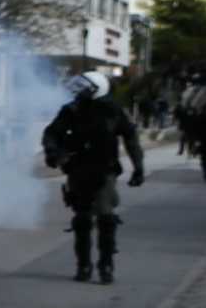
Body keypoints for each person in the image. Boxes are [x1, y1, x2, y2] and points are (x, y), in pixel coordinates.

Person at [41, 71, 147, 284]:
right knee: (81, 220)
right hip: (77, 169)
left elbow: (131, 139)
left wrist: (138, 167)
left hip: (104, 170)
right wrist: (54, 152)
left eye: (84, 88)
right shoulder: (71, 110)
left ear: (97, 89)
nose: (79, 92)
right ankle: (84, 265)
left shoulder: (113, 111)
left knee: (106, 218)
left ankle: (106, 265)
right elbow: (51, 133)